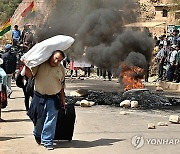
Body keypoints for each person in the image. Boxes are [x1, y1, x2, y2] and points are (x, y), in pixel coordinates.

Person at [25, 50, 66, 150]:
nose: (57, 62)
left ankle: (48, 141)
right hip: (39, 97)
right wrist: (26, 65)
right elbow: (30, 75)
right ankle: (37, 134)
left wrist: (63, 100)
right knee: (39, 120)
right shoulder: (41, 64)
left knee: (51, 120)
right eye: (56, 58)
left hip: (53, 98)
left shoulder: (61, 69)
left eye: (60, 60)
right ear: (51, 56)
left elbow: (62, 86)